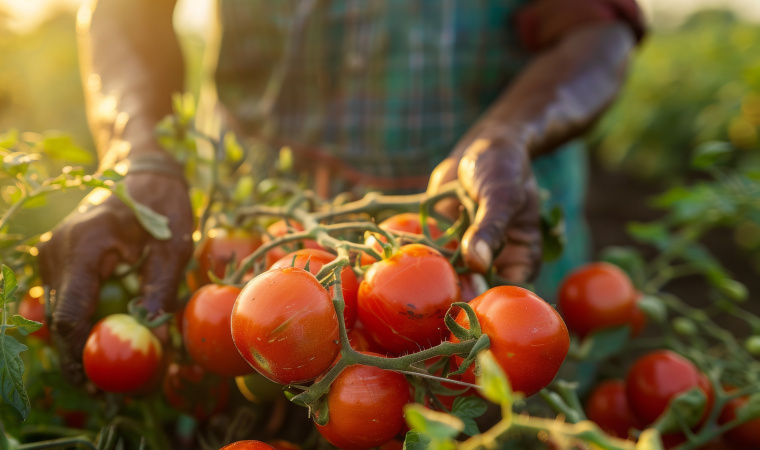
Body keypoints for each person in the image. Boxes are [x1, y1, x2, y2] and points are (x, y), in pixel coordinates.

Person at [38, 0, 643, 383]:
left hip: (490, 222)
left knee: (509, 388)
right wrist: (139, 153)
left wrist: (507, 135)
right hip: (254, 237)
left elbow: (597, 25)